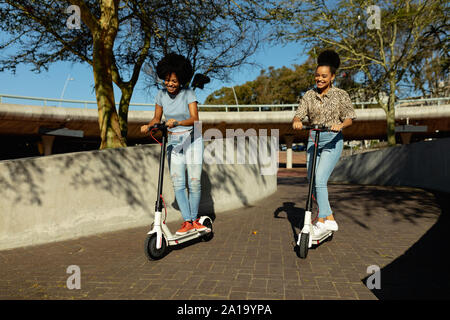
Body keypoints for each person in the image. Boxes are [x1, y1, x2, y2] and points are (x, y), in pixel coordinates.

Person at [141, 53, 207, 235]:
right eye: (167, 80)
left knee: (194, 182)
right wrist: (149, 125)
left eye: (174, 81)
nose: (170, 84)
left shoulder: (188, 93)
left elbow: (195, 119)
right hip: (174, 142)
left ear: (181, 81)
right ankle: (187, 222)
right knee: (178, 183)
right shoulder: (160, 95)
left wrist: (177, 122)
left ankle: (194, 220)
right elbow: (157, 117)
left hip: (193, 140)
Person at [292, 50, 356, 236]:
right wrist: (297, 120)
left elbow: (350, 118)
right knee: (312, 181)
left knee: (320, 180)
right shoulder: (309, 95)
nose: (319, 79)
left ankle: (329, 218)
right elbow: (299, 113)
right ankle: (322, 220)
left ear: (332, 77)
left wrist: (340, 125)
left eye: (324, 76)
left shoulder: (341, 94)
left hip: (332, 141)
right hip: (314, 139)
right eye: (317, 75)